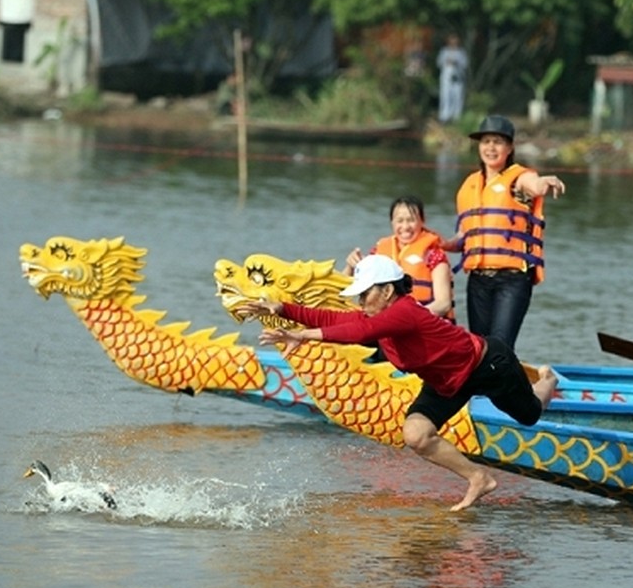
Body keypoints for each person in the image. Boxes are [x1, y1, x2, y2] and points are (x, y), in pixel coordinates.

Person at [236, 255, 559, 512]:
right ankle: (479, 478)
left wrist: (302, 336)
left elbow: (358, 334)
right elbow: (336, 319)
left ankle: (548, 379)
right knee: (416, 435)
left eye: (365, 294)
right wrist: (283, 309)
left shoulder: (404, 312)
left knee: (530, 413)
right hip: (445, 381)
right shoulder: (379, 316)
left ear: (387, 290)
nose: (360, 302)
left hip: (488, 366)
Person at [443, 115, 566, 349]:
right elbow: (464, 237)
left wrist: (544, 183)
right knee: (479, 348)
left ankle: (515, 382)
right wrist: (441, 244)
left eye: (497, 142)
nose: (490, 148)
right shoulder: (470, 185)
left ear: (509, 148)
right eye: (485, 141)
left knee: (499, 347)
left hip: (512, 280)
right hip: (478, 280)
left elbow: (534, 184)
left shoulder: (518, 178)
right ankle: (488, 385)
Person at [345, 195, 455, 321]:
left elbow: (443, 304)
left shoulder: (434, 255)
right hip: (388, 323)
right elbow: (343, 289)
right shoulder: (378, 252)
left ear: (422, 221)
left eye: (411, 220)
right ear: (392, 222)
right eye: (400, 220)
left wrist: (407, 317)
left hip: (423, 324)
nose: (405, 226)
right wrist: (350, 267)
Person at [437, 34, 468, 124]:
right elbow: (438, 63)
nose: (453, 43)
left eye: (455, 41)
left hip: (458, 77)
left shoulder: (461, 52)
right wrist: (446, 61)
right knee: (445, 96)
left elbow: (465, 64)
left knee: (457, 96)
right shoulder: (444, 51)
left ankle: (456, 117)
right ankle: (444, 116)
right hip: (446, 76)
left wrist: (457, 62)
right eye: (451, 41)